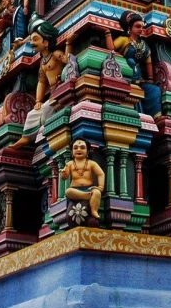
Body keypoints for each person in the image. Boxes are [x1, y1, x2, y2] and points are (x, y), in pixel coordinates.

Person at [9, 17, 75, 149]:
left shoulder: (56, 54)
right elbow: (41, 81)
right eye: (31, 39)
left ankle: (48, 131)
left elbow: (68, 61)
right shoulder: (42, 62)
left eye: (35, 39)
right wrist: (38, 100)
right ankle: (25, 137)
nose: (32, 43)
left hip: (61, 90)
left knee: (46, 109)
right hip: (52, 93)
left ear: (45, 42)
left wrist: (68, 43)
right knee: (32, 113)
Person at [103, 10, 162, 118]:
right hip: (124, 76)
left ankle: (156, 117)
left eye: (142, 27)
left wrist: (150, 79)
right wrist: (107, 32)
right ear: (130, 27)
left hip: (139, 78)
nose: (141, 29)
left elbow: (148, 62)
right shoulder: (123, 40)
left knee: (154, 90)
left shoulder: (143, 44)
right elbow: (111, 48)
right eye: (137, 26)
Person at [61, 138, 105, 219]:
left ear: (87, 151)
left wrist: (100, 187)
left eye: (82, 147)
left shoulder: (91, 163)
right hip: (75, 189)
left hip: (89, 188)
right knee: (68, 191)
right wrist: (63, 173)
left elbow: (101, 174)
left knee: (97, 193)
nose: (79, 150)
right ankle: (85, 196)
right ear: (71, 152)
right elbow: (65, 177)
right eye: (75, 148)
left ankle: (94, 210)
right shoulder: (70, 164)